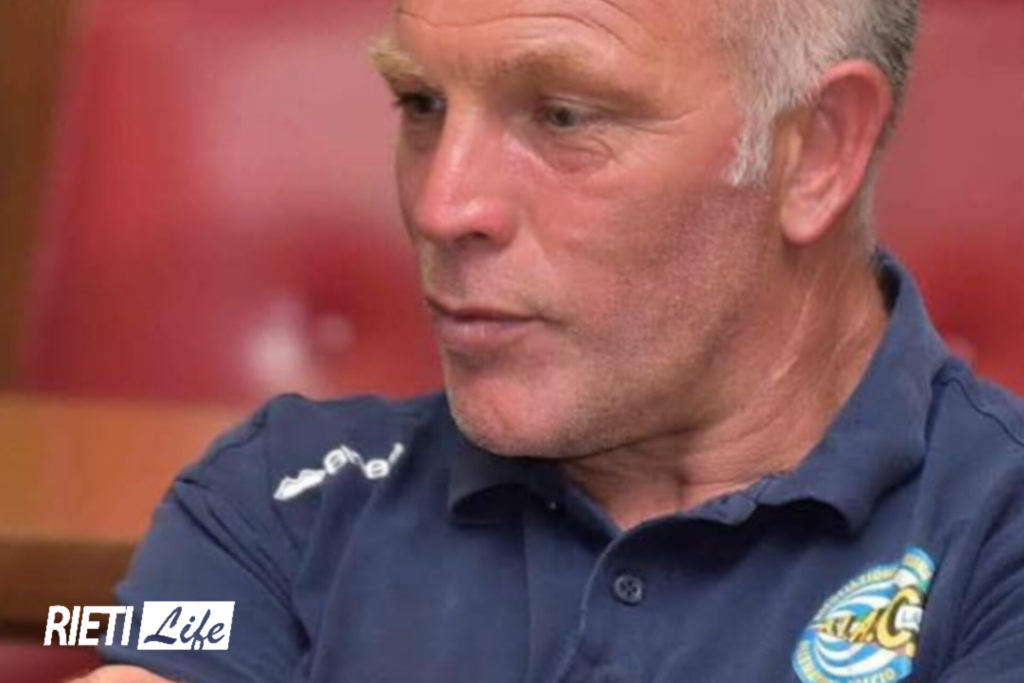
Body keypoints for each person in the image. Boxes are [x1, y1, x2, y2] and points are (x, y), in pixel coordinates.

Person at [78, 0, 1024, 681]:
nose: (443, 205)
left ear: (815, 151)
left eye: (563, 115)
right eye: (421, 104)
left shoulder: (998, 540)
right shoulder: (282, 497)